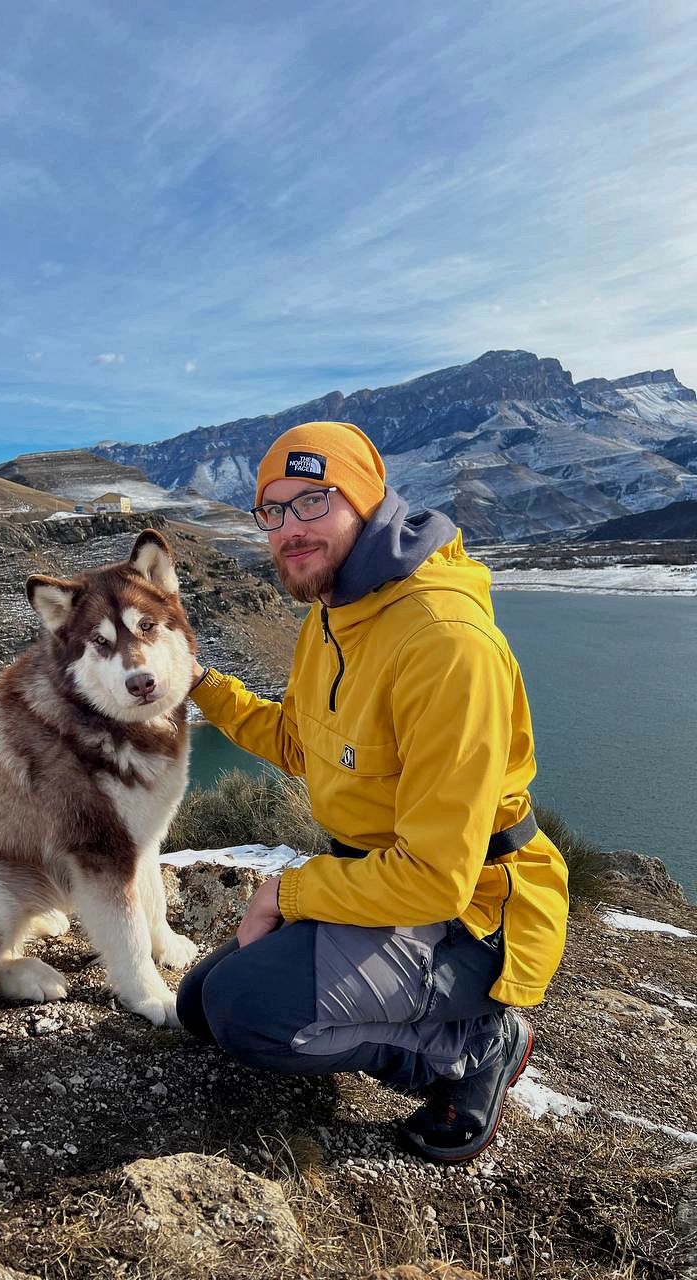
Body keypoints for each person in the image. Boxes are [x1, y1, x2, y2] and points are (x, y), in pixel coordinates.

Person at [176, 420, 569, 1163]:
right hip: (376, 884)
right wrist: (200, 683)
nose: (290, 529)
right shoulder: (332, 613)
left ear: (366, 499)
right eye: (273, 510)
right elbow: (300, 743)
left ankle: (477, 1045)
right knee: (200, 1006)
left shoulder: (443, 642)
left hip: (470, 915)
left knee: (247, 1011)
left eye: (313, 500)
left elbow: (434, 878)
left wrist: (289, 894)